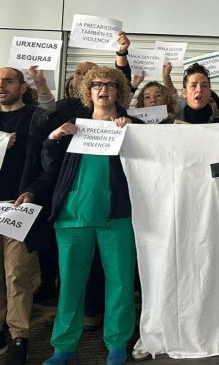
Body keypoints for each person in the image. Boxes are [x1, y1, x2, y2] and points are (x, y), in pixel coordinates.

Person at [41, 66, 143, 365]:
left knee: (121, 283)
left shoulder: (131, 126)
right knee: (70, 285)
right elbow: (49, 166)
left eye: (111, 85)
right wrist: (55, 136)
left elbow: (150, 164)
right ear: (88, 90)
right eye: (97, 84)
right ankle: (64, 346)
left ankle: (117, 344)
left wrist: (131, 134)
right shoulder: (71, 125)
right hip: (73, 217)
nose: (103, 90)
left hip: (118, 216)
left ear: (119, 92)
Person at [0, 67, 55, 365]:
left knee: (17, 274)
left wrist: (33, 192)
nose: (1, 86)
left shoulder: (38, 119)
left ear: (22, 88)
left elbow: (49, 168)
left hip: (18, 208)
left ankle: (18, 335)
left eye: (8, 80)